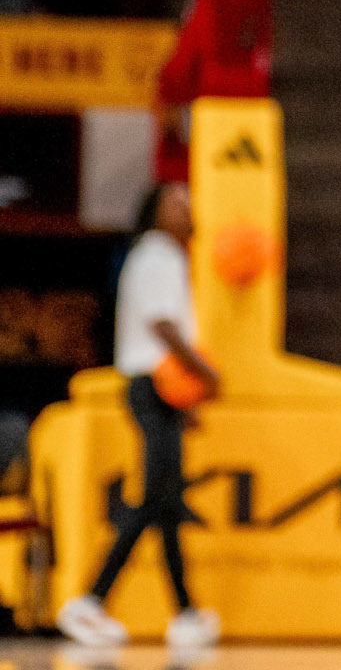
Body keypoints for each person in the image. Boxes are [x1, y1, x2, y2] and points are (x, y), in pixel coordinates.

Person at [57, 182, 221, 649]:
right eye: (177, 203)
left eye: (191, 202)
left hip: (164, 391)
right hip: (151, 386)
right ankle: (90, 600)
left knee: (168, 502)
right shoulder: (157, 253)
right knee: (155, 497)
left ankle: (186, 612)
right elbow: (163, 326)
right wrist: (205, 374)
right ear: (154, 213)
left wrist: (186, 401)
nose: (188, 210)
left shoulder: (169, 255)